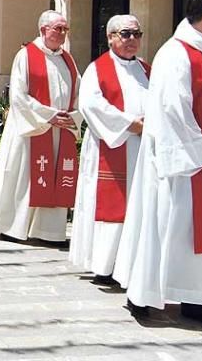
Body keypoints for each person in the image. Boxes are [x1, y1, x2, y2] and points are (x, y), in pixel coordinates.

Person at [116, 0, 202, 328]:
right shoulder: (175, 54)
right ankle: (144, 294)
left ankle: (199, 301)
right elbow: (173, 111)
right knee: (167, 229)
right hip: (181, 167)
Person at [0, 11, 81, 242]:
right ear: (43, 29)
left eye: (65, 29)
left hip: (58, 129)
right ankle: (14, 226)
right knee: (23, 177)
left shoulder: (68, 59)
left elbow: (78, 93)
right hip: (31, 130)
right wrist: (50, 116)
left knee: (54, 176)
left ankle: (48, 231)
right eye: (58, 28)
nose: (63, 33)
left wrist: (72, 116)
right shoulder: (26, 55)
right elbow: (18, 95)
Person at [69, 15, 149, 287]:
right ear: (111, 37)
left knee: (138, 205)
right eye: (125, 34)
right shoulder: (98, 69)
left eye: (137, 34)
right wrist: (129, 124)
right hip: (111, 145)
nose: (132, 40)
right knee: (110, 205)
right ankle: (104, 264)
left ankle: (132, 261)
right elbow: (91, 105)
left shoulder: (148, 70)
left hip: (143, 151)